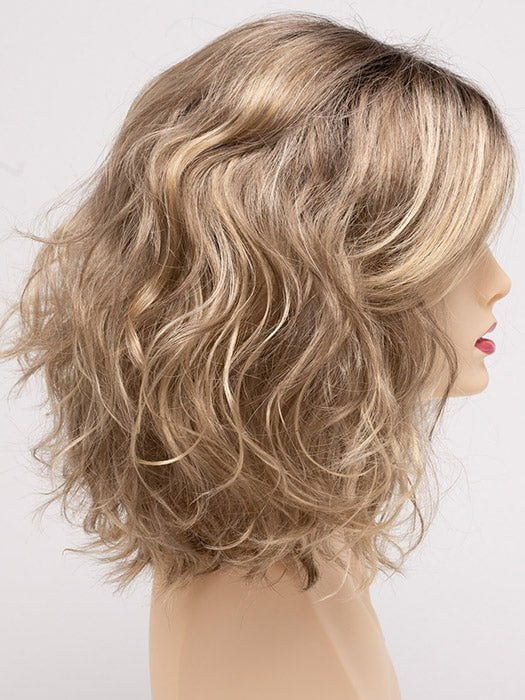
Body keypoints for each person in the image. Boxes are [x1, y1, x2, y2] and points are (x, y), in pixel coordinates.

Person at [0, 11, 514, 699]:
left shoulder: (302, 556)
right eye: (456, 246)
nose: (498, 281)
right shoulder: (260, 610)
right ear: (321, 283)